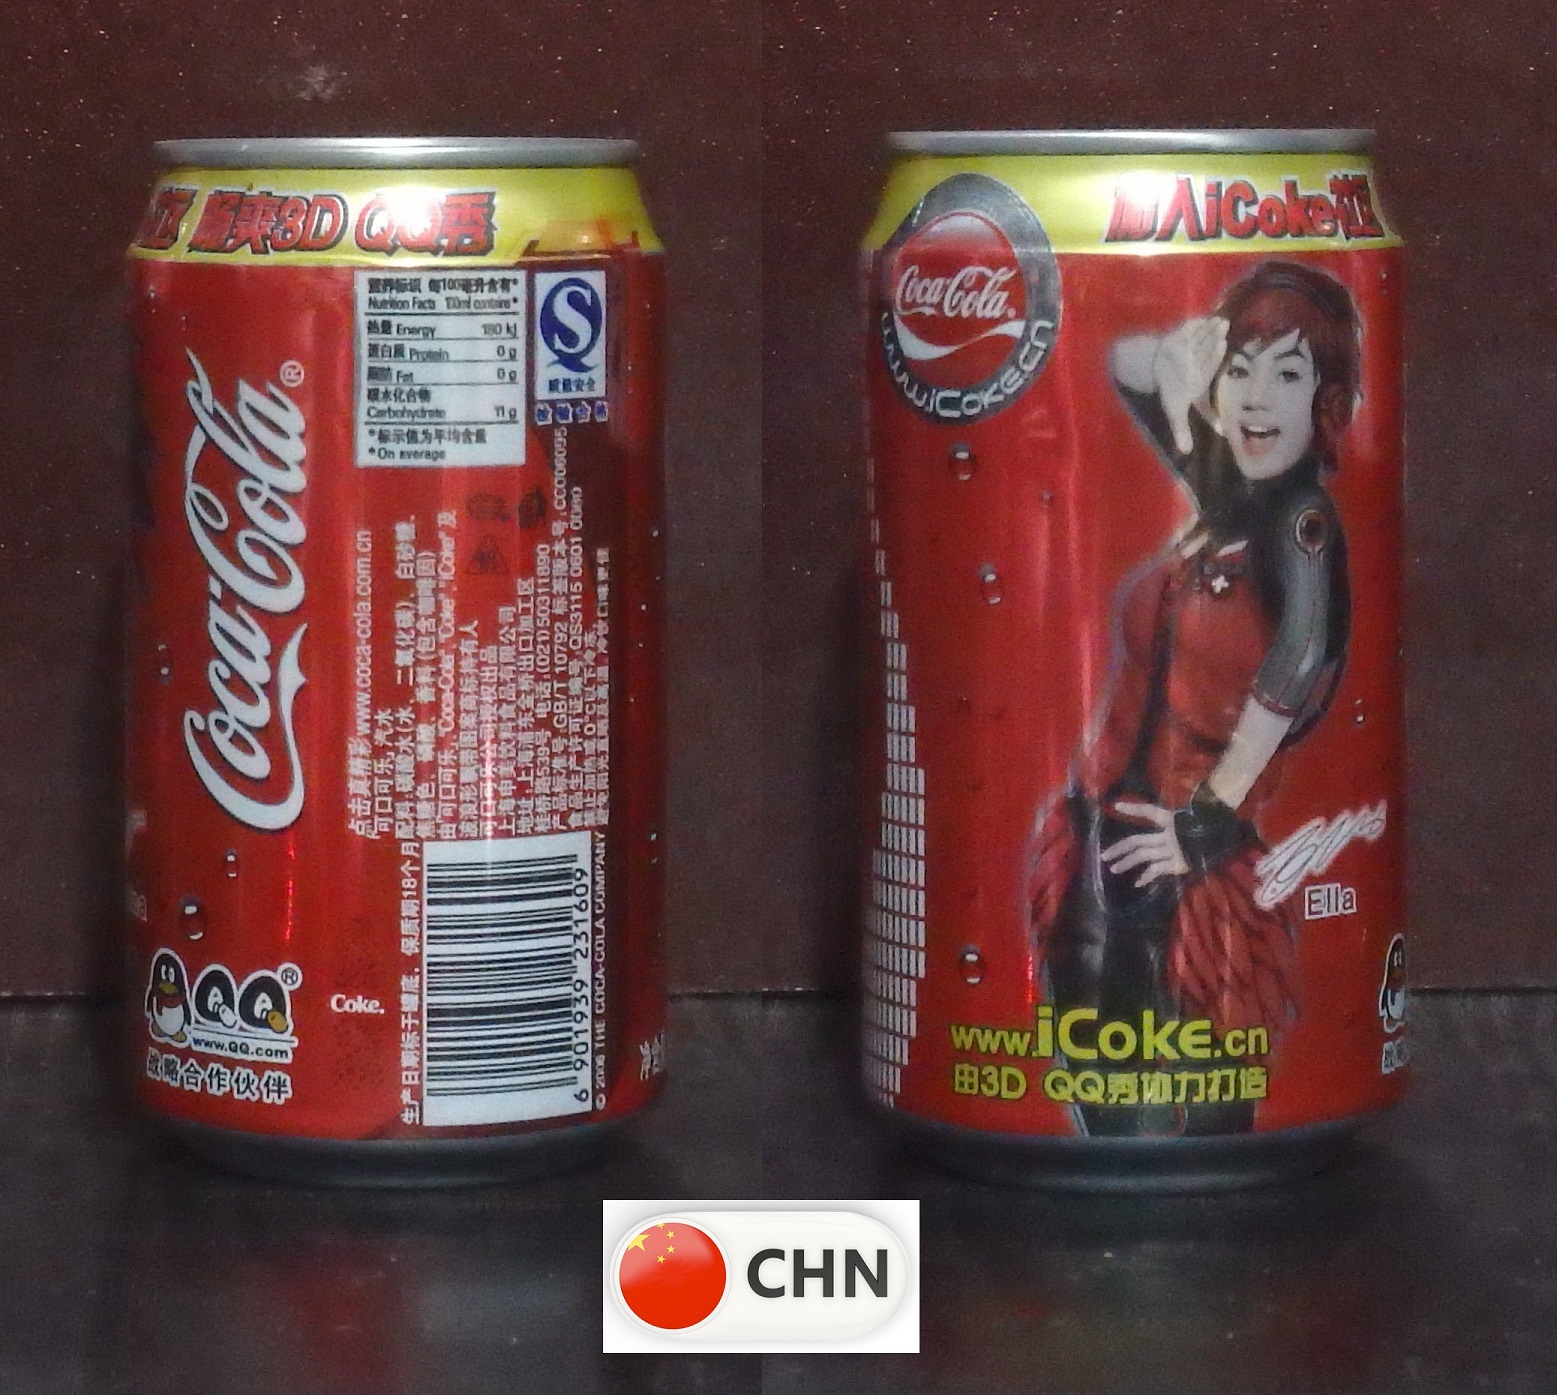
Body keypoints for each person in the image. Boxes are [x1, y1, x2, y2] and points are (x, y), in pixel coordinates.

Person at [1028, 260, 1360, 1136]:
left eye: (1286, 373)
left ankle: (1215, 1213)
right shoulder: (1230, 497)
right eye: (1239, 369)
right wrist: (1177, 357)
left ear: (1327, 400)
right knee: (1101, 1086)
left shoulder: (1299, 523)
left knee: (1205, 1088)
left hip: (1190, 870)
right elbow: (1128, 372)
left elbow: (1298, 663)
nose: (1255, 397)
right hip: (1097, 844)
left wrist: (1205, 822)